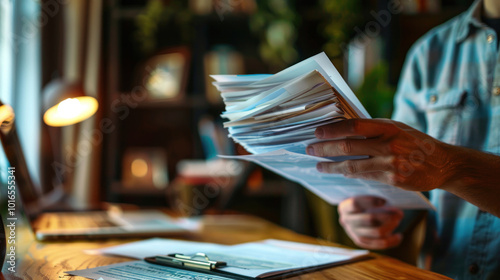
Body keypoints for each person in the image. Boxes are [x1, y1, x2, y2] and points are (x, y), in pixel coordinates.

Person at [306, 0, 500, 278]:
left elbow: (438, 167)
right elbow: (406, 186)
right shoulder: (429, 52)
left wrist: (454, 167)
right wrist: (376, 214)